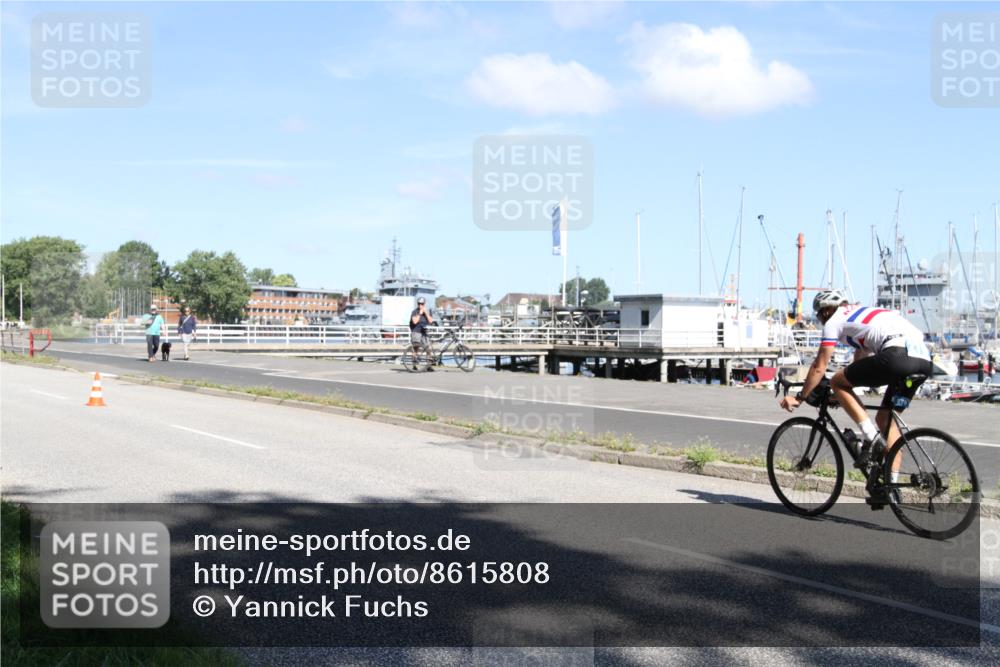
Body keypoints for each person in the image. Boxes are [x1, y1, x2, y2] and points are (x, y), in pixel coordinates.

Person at [779, 290, 932, 485]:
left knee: (836, 380)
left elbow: (819, 366)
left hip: (897, 354)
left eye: (818, 315)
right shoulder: (861, 315)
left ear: (825, 311)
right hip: (923, 360)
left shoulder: (835, 319)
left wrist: (799, 397)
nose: (820, 320)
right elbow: (859, 363)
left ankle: (871, 438)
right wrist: (840, 395)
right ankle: (890, 487)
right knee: (886, 420)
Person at [409, 297, 434, 371]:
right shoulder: (415, 312)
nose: (420, 305)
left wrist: (425, 313)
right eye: (419, 304)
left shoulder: (426, 312)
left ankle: (429, 366)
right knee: (416, 349)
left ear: (424, 304)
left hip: (424, 332)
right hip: (416, 332)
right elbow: (414, 322)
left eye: (422, 304)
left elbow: (431, 321)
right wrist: (420, 314)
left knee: (428, 349)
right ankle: (414, 365)